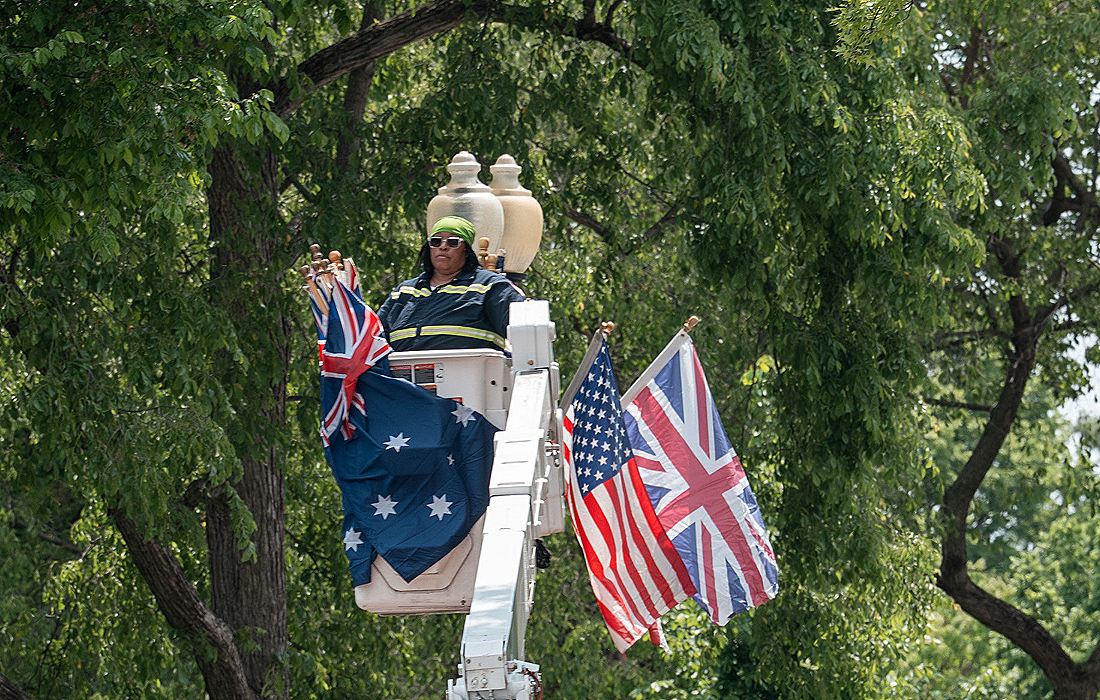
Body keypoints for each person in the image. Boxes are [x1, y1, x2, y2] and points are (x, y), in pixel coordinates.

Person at [378, 216, 525, 352]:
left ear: (466, 250)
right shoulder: (404, 291)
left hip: (471, 377)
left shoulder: (490, 286)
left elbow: (526, 329)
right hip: (401, 378)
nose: (443, 247)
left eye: (453, 242)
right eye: (436, 241)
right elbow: (373, 337)